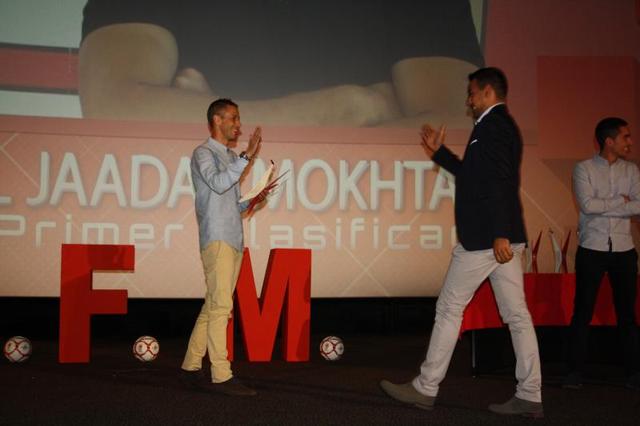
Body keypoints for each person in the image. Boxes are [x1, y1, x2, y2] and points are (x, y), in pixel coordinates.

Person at [380, 67, 543, 417]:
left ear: (486, 92)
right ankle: (530, 394)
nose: (468, 100)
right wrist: (440, 153)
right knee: (517, 315)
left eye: (471, 93)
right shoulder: (495, 125)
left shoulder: (494, 126)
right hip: (497, 237)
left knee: (450, 309)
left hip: (486, 239)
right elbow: (474, 177)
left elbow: (501, 181)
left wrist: (499, 232)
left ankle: (425, 388)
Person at [78, 0, 483, 127]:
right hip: (192, 248)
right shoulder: (353, 109)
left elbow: (463, 130)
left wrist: (220, 125)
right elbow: (115, 108)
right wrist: (348, 110)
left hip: (372, 249)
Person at [180, 98, 262, 396]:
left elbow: (232, 202)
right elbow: (216, 183)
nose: (239, 125)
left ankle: (191, 366)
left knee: (214, 305)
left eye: (238, 119)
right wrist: (246, 157)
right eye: (234, 118)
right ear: (217, 120)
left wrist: (255, 198)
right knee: (222, 308)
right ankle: (221, 375)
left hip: (233, 237)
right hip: (217, 238)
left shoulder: (229, 156)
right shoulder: (203, 153)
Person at [564, 117, 640, 390]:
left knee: (627, 315)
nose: (630, 142)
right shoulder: (583, 168)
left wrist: (607, 205)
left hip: (624, 249)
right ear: (609, 141)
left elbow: (639, 206)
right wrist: (621, 201)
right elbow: (587, 205)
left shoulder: (631, 170)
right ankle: (574, 372)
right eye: (625, 137)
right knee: (582, 312)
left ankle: (634, 373)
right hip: (592, 248)